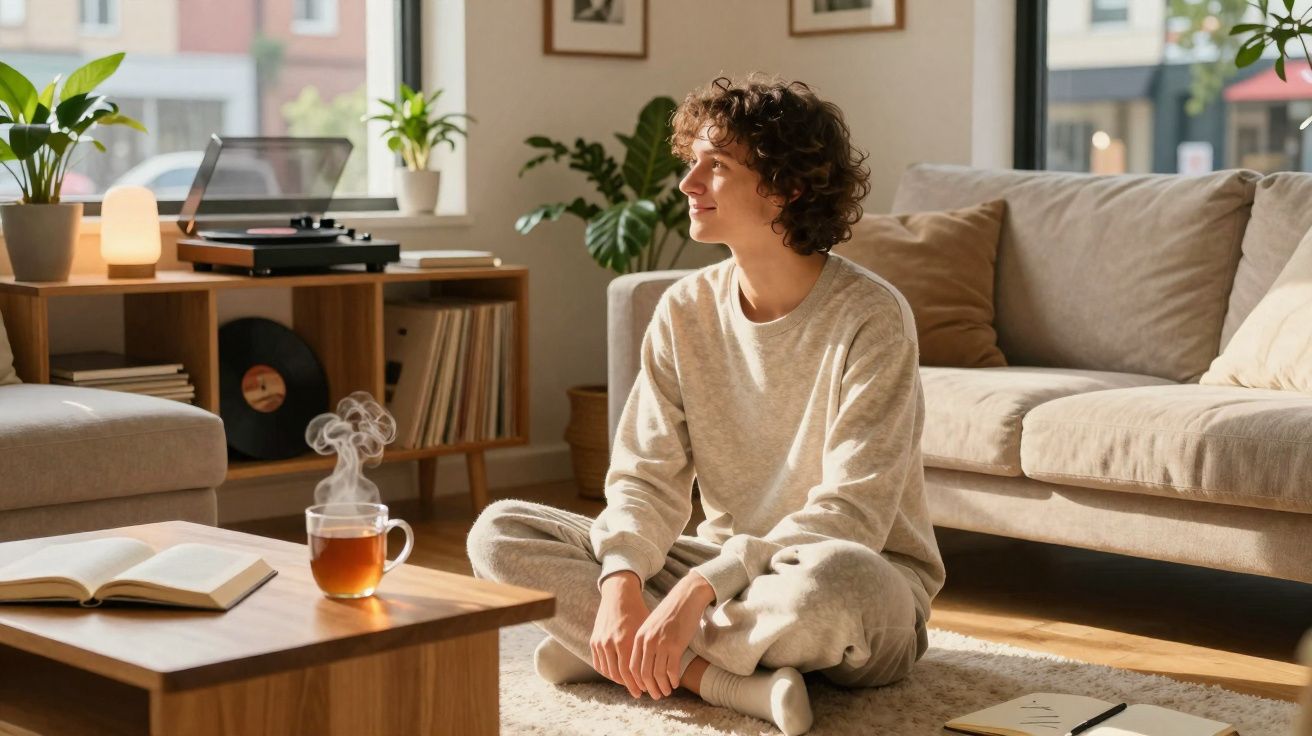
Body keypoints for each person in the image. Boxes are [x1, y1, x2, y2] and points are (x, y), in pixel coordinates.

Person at [467, 72, 945, 736]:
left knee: (834, 584)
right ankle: (711, 678)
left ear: (787, 186)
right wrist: (621, 587)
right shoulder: (683, 310)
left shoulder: (873, 317)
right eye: (692, 162)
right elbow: (644, 477)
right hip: (725, 574)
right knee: (497, 533)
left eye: (714, 167)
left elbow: (855, 514)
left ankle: (618, 655)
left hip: (850, 582)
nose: (688, 184)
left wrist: (696, 591)